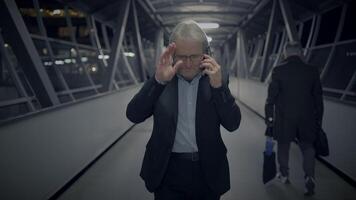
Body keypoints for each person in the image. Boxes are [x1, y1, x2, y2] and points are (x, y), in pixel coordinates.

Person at [126, 20, 241, 200]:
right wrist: (157, 82)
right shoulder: (162, 78)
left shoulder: (217, 77)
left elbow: (233, 123)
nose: (187, 64)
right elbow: (134, 115)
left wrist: (219, 88)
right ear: (172, 54)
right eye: (181, 56)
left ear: (206, 54)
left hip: (208, 171)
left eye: (194, 56)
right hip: (167, 171)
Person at [265, 41, 324, 196]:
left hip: (285, 118)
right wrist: (319, 120)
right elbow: (318, 98)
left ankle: (284, 175)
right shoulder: (312, 71)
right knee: (308, 147)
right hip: (307, 118)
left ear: (285, 53)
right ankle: (309, 177)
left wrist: (269, 119)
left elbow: (270, 98)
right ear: (300, 52)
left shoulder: (278, 70)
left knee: (283, 146)